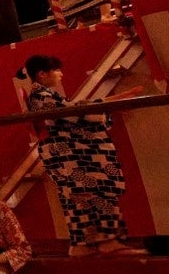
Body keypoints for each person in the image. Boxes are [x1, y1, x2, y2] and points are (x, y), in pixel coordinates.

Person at [22, 54, 141, 256]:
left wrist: (110, 101)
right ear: (42, 74)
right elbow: (75, 114)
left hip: (62, 153)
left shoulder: (42, 96)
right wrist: (109, 104)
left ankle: (81, 244)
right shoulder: (41, 96)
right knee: (98, 192)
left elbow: (73, 110)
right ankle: (108, 241)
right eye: (56, 70)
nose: (61, 74)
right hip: (70, 153)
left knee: (78, 199)